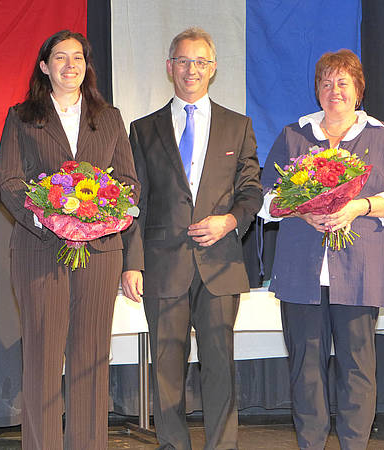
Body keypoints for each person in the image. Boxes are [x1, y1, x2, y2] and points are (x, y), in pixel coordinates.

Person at [259, 49, 384, 450]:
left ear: (358, 91)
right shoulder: (294, 135)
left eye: (343, 83)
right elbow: (264, 197)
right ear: (317, 90)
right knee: (305, 370)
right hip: (301, 275)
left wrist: (359, 205)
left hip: (361, 272)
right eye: (327, 83)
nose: (335, 91)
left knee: (357, 371)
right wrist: (303, 210)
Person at [0, 30, 139, 449]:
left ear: (86, 66)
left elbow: (128, 183)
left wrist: (98, 218)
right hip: (40, 252)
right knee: (42, 361)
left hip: (99, 253)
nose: (70, 65)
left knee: (90, 362)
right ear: (45, 66)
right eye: (60, 57)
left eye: (78, 57)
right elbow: (8, 181)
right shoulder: (22, 117)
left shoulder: (109, 117)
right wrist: (51, 219)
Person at [121, 27, 262, 449]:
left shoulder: (238, 126)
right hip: (163, 266)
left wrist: (229, 221)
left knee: (220, 368)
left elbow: (251, 191)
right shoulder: (143, 130)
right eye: (183, 61)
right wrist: (132, 261)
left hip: (220, 264)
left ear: (213, 68)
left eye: (200, 62)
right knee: (166, 371)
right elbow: (134, 202)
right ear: (169, 67)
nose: (191, 70)